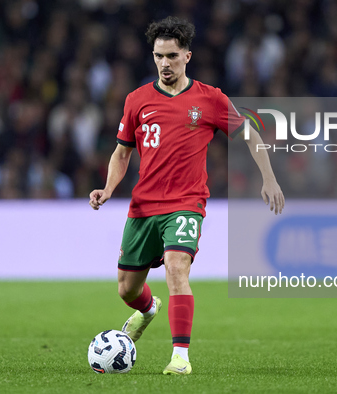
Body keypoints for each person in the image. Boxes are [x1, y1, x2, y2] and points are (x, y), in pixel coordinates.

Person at [88, 16, 284, 375]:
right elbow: (122, 152)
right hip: (143, 206)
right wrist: (109, 188)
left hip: (186, 203)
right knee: (127, 289)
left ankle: (180, 356)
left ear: (187, 57)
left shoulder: (210, 99)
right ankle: (148, 310)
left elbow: (250, 135)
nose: (165, 63)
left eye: (172, 56)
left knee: (178, 267)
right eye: (159, 56)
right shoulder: (137, 100)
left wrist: (268, 177)